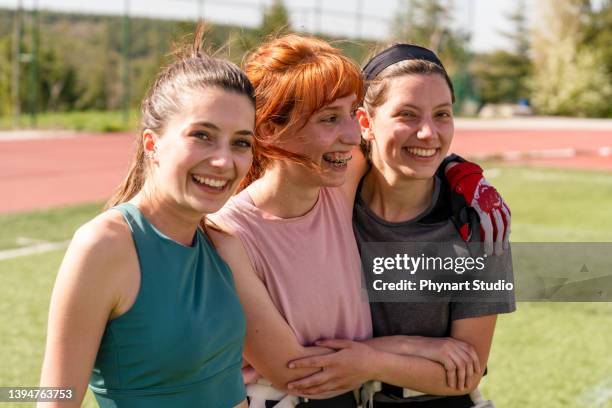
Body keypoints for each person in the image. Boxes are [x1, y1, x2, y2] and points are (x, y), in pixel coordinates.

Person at [208, 35, 511, 408]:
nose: (350, 134)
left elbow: (411, 149)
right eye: (330, 118)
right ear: (269, 129)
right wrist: (394, 349)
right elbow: (296, 371)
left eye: (349, 115)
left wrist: (461, 170)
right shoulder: (230, 233)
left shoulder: (338, 184)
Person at [38, 26, 255, 408]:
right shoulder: (104, 245)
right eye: (202, 135)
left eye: (241, 142)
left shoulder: (223, 246)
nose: (224, 161)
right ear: (152, 144)